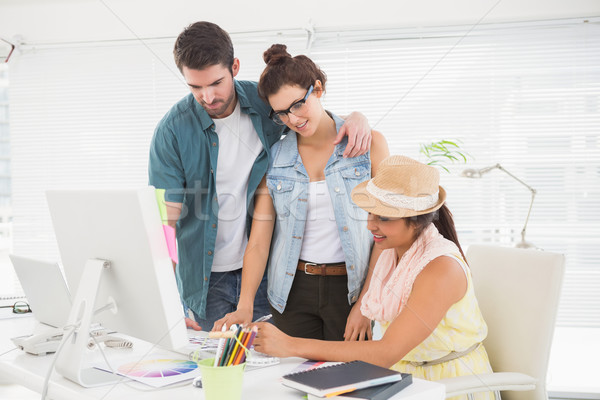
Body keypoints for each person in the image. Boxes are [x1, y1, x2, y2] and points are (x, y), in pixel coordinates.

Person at [148, 22, 372, 331]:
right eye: (195, 87)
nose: (208, 96)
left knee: (273, 367)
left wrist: (356, 119)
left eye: (216, 82)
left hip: (271, 271)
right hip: (205, 281)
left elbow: (308, 115)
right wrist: (167, 301)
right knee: (221, 366)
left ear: (235, 67)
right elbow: (165, 225)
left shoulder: (264, 100)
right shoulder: (171, 131)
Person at [252, 155, 495, 399]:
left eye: (384, 218)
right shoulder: (393, 252)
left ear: (417, 221)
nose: (370, 226)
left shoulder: (440, 268)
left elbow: (385, 352)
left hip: (449, 384)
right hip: (401, 376)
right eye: (370, 214)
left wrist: (290, 345)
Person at [213, 44, 389, 341]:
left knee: (348, 382)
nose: (293, 119)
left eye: (298, 104)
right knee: (292, 382)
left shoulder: (368, 144)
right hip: (291, 292)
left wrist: (365, 304)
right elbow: (259, 241)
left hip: (351, 290)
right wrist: (245, 306)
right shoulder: (275, 157)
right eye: (282, 113)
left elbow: (387, 233)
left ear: (317, 89)